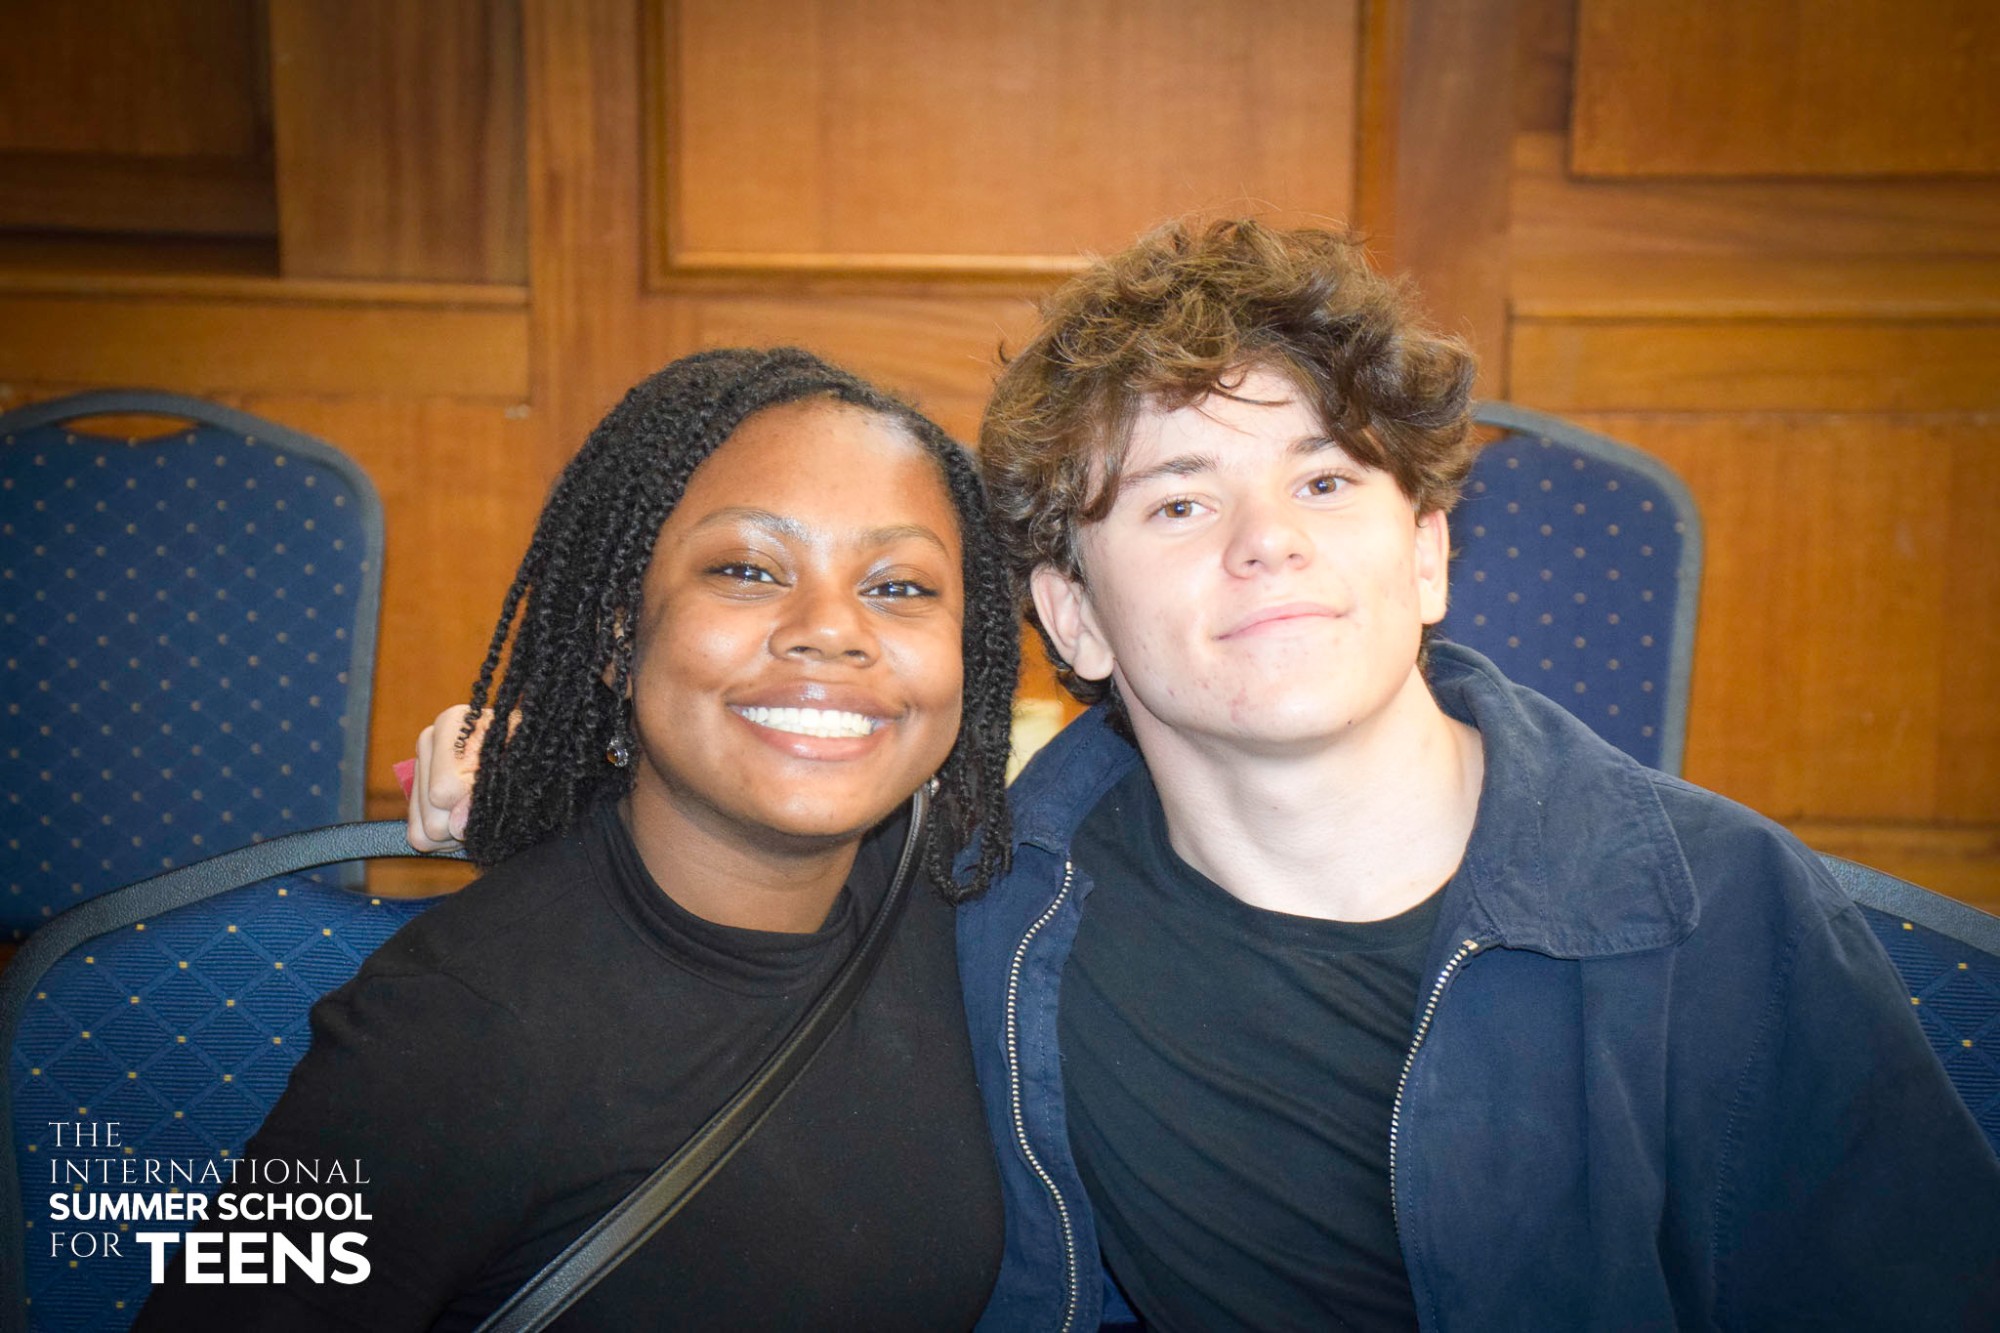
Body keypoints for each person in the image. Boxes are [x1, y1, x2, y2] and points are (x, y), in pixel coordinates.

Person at [411, 223, 2000, 1331]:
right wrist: (548, 809)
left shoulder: (1715, 910)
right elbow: (739, 847)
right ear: (1074, 619)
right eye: (1179, 501)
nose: (1269, 542)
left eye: (1328, 480)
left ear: (1430, 552)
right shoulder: (985, 893)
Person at [138, 347, 1020, 1331]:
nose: (831, 628)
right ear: (615, 636)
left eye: (899, 587)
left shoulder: (971, 899)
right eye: (745, 570)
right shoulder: (451, 1028)